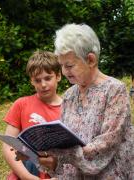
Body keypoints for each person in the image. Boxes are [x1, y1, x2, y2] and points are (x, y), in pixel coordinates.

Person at [38, 23, 134, 179]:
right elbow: (64, 141)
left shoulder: (115, 90)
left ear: (90, 60)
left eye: (69, 65)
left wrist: (65, 154)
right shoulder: (69, 95)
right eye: (61, 65)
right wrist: (51, 157)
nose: (64, 72)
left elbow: (106, 144)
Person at [2, 50, 62, 180]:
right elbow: (8, 145)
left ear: (58, 76)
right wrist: (26, 176)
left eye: (48, 78)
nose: (43, 85)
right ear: (31, 81)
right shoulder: (21, 104)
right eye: (37, 80)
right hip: (24, 172)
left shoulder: (68, 109)